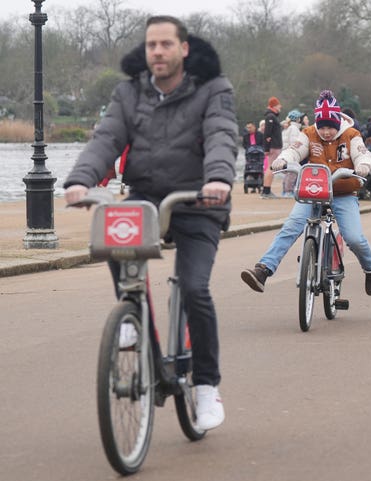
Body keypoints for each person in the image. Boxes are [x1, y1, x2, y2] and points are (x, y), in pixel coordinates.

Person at [63, 16, 236, 431]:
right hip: (146, 196)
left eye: (165, 44)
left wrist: (217, 180)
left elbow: (221, 135)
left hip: (197, 199)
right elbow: (107, 138)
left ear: (184, 48)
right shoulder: (129, 91)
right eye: (151, 45)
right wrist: (80, 180)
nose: (156, 52)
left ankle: (207, 387)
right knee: (111, 230)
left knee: (194, 287)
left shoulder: (214, 89)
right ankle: (134, 319)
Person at [240, 90, 371, 296]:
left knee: (354, 237)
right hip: (313, 192)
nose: (325, 132)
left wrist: (364, 167)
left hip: (343, 192)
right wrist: (284, 160)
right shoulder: (308, 133)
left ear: (337, 124)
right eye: (321, 127)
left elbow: (363, 155)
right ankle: (263, 270)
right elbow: (294, 149)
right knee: (291, 226)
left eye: (329, 128)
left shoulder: (352, 135)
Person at [261, 96, 283, 199]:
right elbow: (267, 134)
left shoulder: (272, 117)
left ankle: (266, 190)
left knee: (271, 168)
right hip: (273, 146)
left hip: (274, 146)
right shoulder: (270, 117)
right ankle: (266, 191)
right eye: (279, 105)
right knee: (271, 167)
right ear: (274, 106)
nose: (280, 107)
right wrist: (266, 149)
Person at [281, 109, 304, 196]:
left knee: (288, 172)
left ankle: (285, 190)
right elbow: (294, 141)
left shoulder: (288, 128)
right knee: (292, 173)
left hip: (286, 152)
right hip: (291, 153)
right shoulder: (294, 128)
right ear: (297, 119)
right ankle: (288, 191)